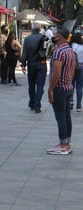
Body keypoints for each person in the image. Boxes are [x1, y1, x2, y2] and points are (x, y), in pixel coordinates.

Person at [46, 24, 76, 155]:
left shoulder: (59, 52)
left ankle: (63, 144)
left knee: (61, 117)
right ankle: (67, 143)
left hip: (59, 88)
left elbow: (56, 73)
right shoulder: (70, 50)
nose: (53, 35)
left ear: (59, 36)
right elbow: (73, 69)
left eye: (55, 34)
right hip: (68, 87)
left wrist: (50, 89)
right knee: (66, 116)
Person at [20, 25, 47, 113]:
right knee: (40, 85)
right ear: (39, 30)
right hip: (42, 64)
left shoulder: (27, 39)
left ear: (32, 30)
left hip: (31, 64)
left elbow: (24, 53)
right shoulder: (44, 38)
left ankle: (32, 102)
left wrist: (23, 64)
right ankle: (37, 104)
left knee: (31, 85)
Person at [71, 33, 83, 112]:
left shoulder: (71, 46)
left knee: (71, 85)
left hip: (71, 67)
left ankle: (70, 102)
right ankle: (78, 106)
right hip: (81, 67)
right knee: (79, 86)